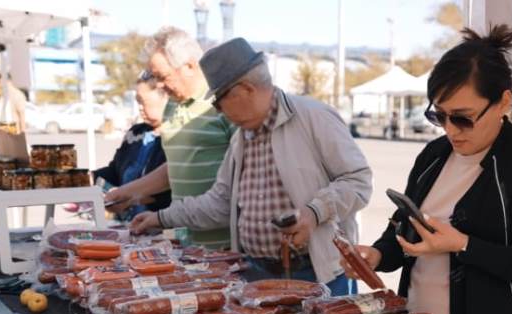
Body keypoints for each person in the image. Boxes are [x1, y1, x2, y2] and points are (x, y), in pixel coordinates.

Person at [340, 25, 512, 314]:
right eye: (439, 115)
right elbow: (405, 230)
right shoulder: (434, 156)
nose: (450, 130)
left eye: (463, 119)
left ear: (504, 102)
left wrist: (464, 245)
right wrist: (377, 255)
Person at [130, 38, 373, 296]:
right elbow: (220, 203)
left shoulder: (314, 117)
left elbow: (358, 181)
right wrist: (160, 218)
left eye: (218, 102)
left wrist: (314, 212)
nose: (219, 112)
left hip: (318, 273)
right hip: (256, 273)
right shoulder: (241, 137)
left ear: (245, 89)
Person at [105, 27, 234, 248]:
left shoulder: (225, 101)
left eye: (163, 77)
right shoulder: (173, 103)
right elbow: (177, 165)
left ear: (190, 66)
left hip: (225, 246)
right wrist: (127, 193)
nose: (161, 86)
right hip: (187, 243)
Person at [92, 71, 171, 221]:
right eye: (137, 101)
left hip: (159, 224)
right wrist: (85, 178)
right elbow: (115, 171)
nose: (140, 107)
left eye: (143, 101)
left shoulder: (177, 137)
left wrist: (131, 198)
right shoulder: (136, 132)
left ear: (165, 97)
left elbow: (172, 186)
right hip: (126, 225)